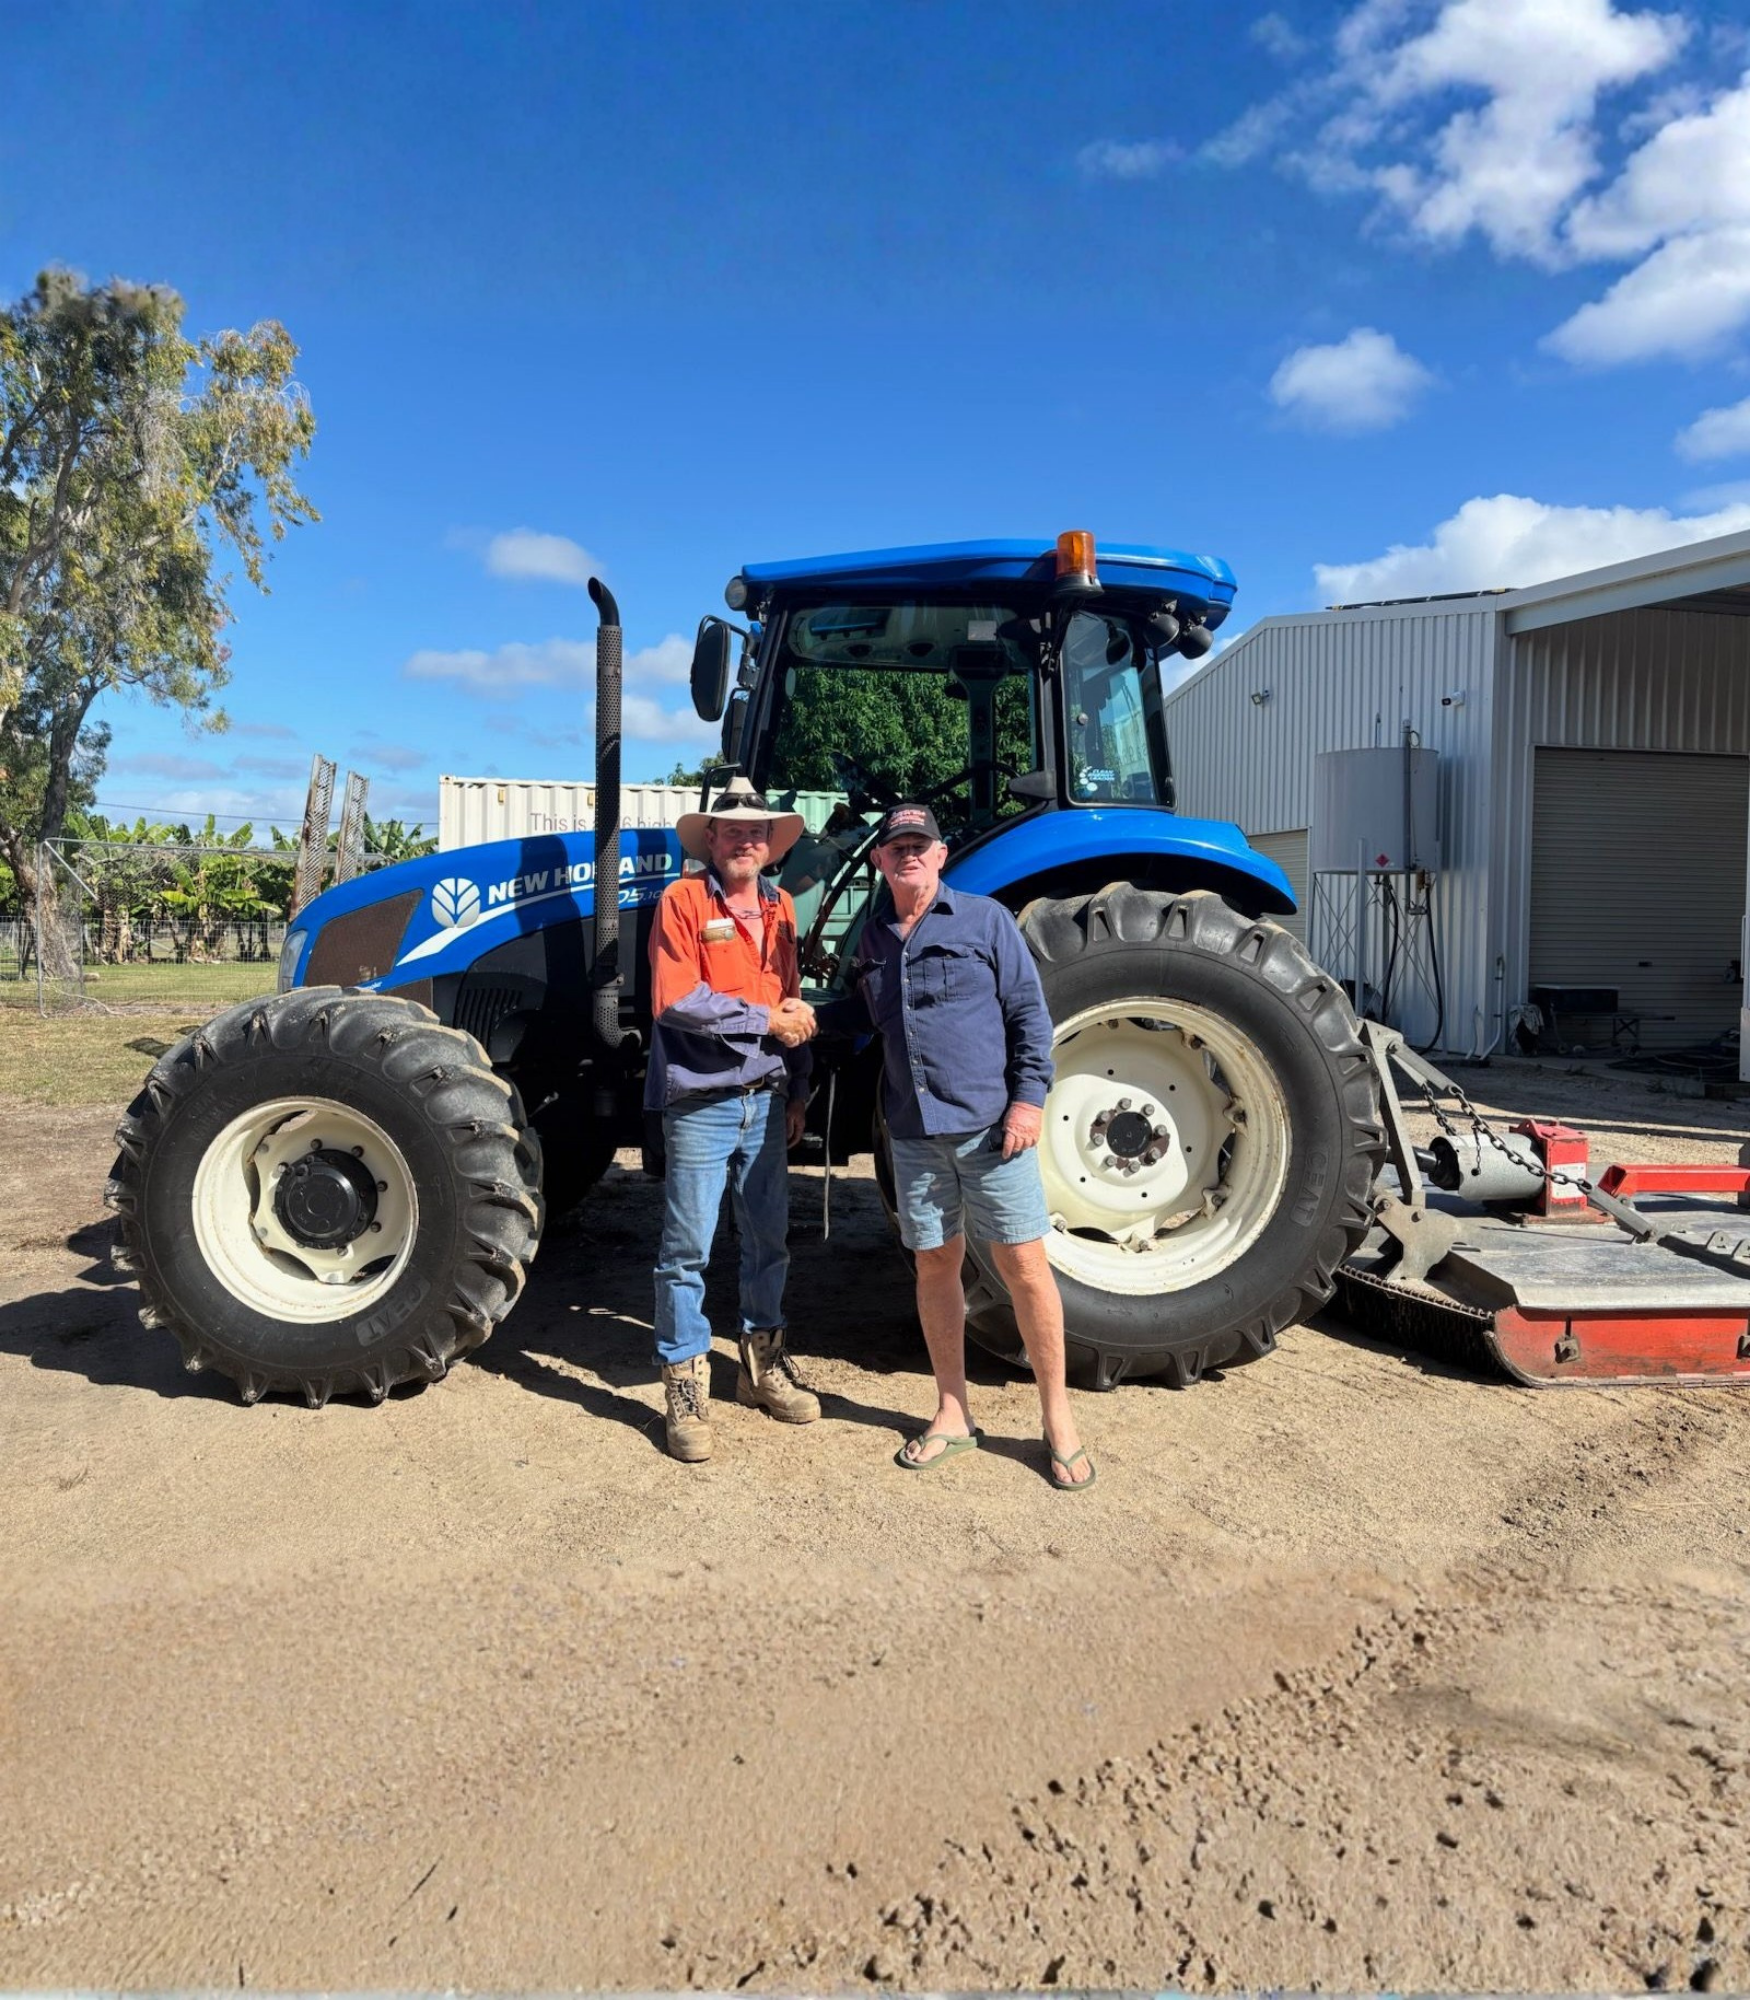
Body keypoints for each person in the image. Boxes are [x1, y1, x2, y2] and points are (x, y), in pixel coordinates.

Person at [833, 802, 1094, 1490]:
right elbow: (862, 1018)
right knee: (934, 1268)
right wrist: (797, 1017)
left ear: (941, 856)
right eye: (897, 847)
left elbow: (1030, 1018)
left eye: (921, 844)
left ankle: (1058, 1419)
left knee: (1026, 1271)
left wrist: (1029, 1101)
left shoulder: (985, 920)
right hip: (914, 1136)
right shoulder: (874, 937)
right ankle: (952, 1411)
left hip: (990, 1133)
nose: (909, 854)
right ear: (880, 861)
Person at [646, 779, 820, 1463]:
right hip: (703, 1100)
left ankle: (763, 1368)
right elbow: (675, 998)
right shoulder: (684, 901)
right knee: (686, 1249)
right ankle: (684, 1386)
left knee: (768, 1238)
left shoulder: (781, 908)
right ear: (710, 841)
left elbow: (792, 1003)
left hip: (767, 1096)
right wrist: (764, 1022)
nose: (745, 839)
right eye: (731, 829)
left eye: (757, 831)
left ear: (770, 845)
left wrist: (798, 1087)